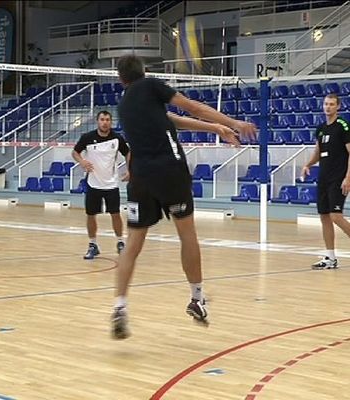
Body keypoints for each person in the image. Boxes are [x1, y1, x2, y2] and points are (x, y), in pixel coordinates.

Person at [111, 54, 257, 339]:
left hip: (140, 177)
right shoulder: (152, 85)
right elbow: (191, 108)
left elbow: (171, 121)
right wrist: (233, 122)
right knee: (187, 234)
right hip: (169, 170)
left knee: (133, 244)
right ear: (144, 72)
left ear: (120, 80)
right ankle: (196, 298)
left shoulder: (124, 105)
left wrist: (215, 128)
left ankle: (119, 306)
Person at [72, 110, 130, 259]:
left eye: (107, 120)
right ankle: (93, 245)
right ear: (98, 121)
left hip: (111, 184)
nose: (105, 122)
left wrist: (131, 171)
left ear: (111, 122)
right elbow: (75, 152)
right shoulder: (87, 138)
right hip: (93, 184)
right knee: (91, 215)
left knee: (115, 214)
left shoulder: (117, 139)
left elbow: (128, 153)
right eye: (102, 119)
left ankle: (120, 243)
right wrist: (82, 162)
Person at [301, 93, 350, 270]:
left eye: (331, 104)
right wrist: (307, 164)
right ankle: (330, 257)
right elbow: (318, 151)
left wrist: (348, 177)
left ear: (338, 107)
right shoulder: (321, 128)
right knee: (324, 216)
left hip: (338, 177)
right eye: (326, 104)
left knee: (336, 216)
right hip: (324, 177)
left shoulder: (343, 126)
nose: (328, 107)